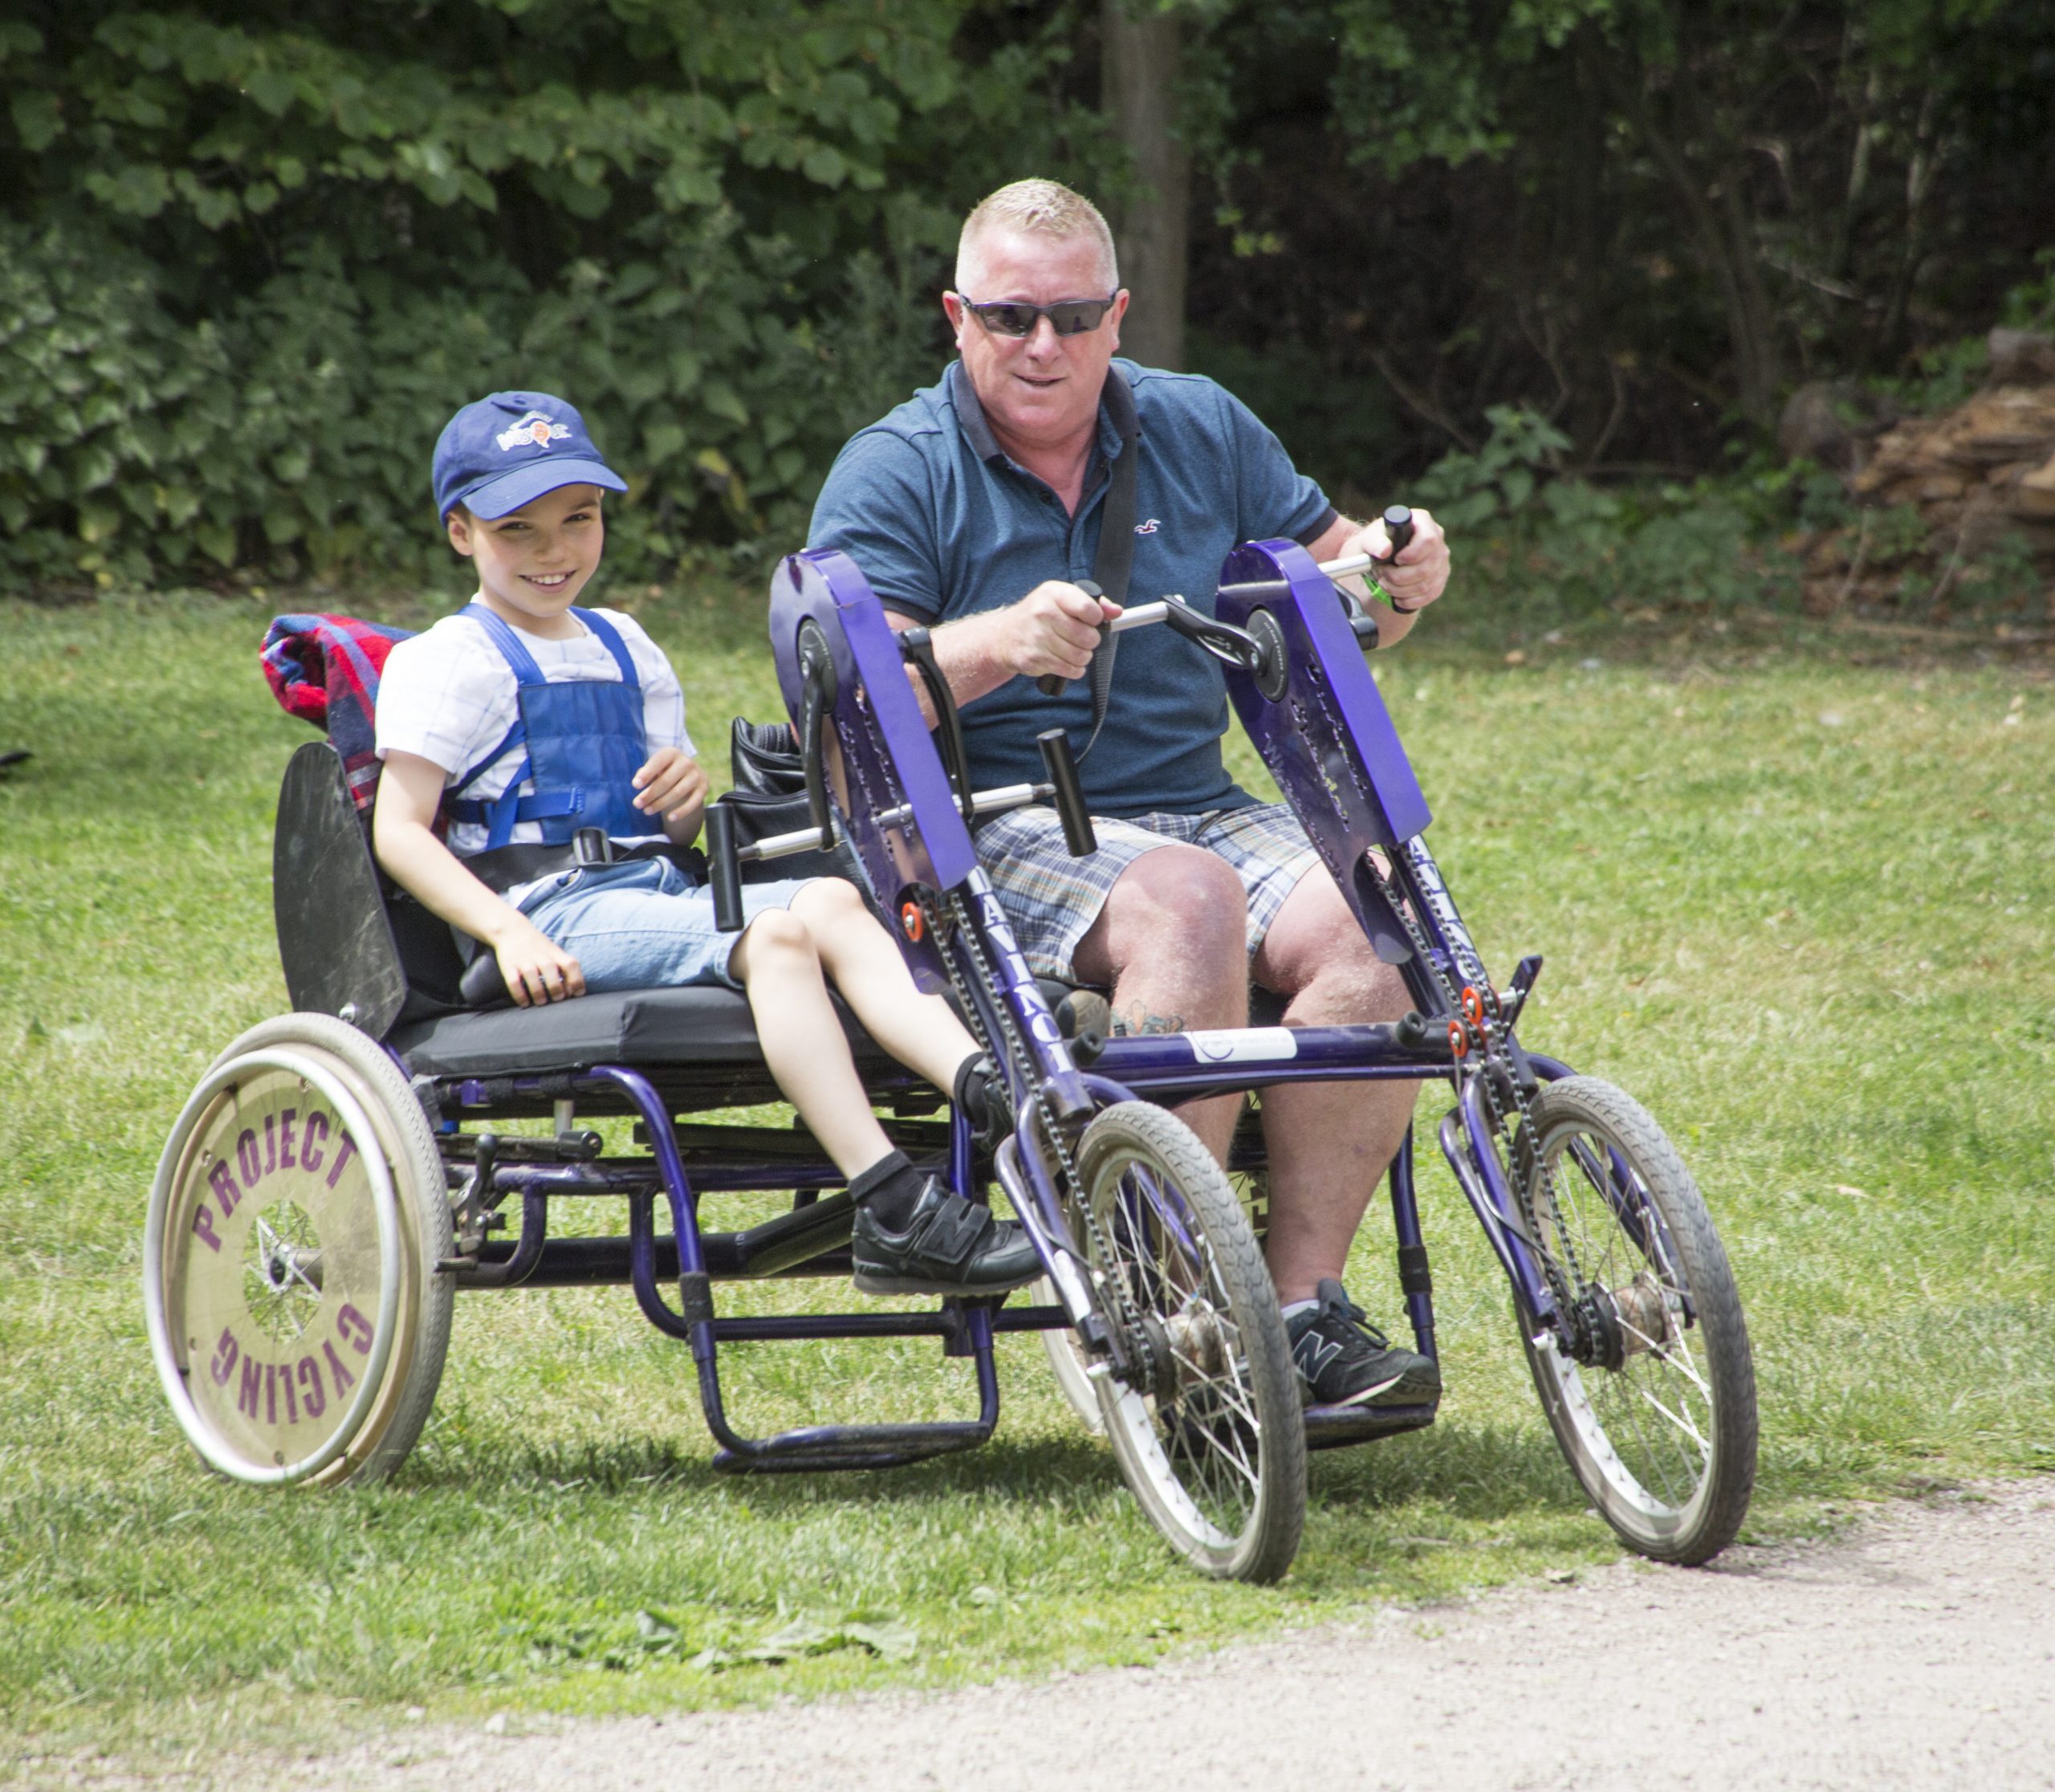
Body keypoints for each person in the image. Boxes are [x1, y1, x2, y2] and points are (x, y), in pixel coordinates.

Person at [810, 181, 1453, 1407]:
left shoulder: (1200, 424)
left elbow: (1342, 598)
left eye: (1070, 315)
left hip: (1190, 800)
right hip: (985, 831)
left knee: (1379, 907)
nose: (1041, 344)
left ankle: (1303, 1309)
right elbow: (850, 716)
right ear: (957, 318)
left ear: (1117, 314)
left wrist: (1403, 574)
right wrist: (997, 641)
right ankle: (1174, 1310)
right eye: (1008, 316)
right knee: (1190, 902)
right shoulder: (896, 469)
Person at [372, 390, 1033, 1297]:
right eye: (519, 530)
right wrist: (508, 935)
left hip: (650, 891)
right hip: (548, 915)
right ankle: (892, 1207)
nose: (555, 551)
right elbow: (398, 832)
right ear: (461, 533)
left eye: (579, 519)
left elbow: (673, 830)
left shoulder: (627, 646)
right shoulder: (450, 660)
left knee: (835, 901)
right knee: (778, 936)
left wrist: (681, 803)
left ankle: (997, 1093)